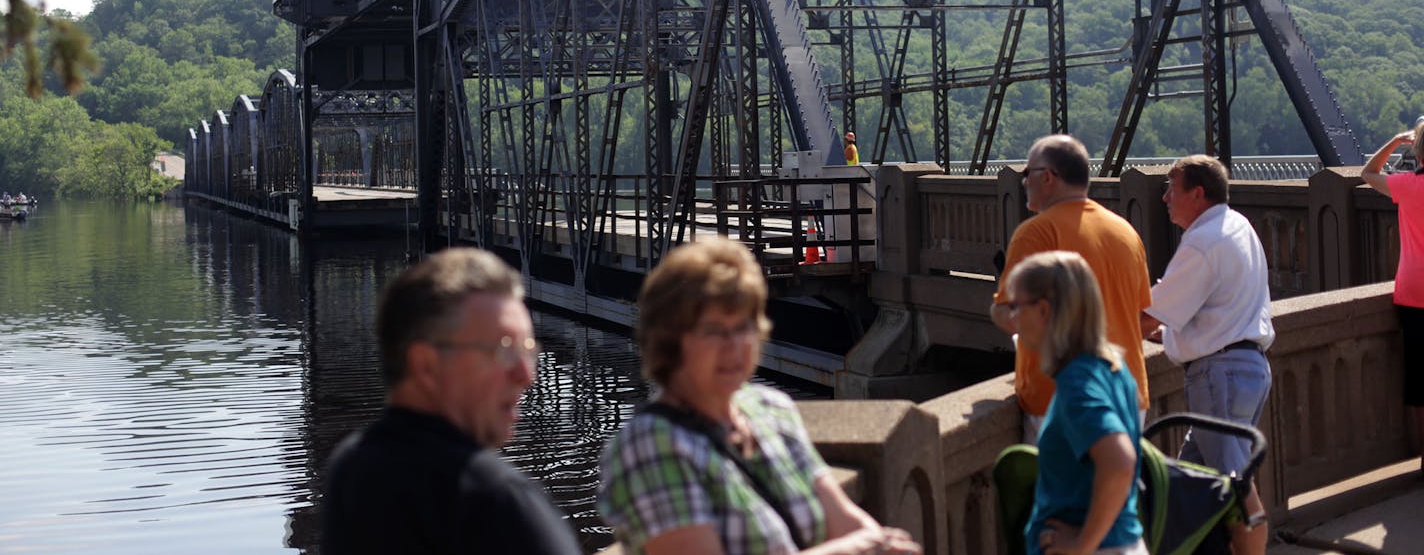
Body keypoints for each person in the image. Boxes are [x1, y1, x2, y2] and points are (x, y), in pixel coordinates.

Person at [599, 237, 920, 555]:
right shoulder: (651, 445)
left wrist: (879, 544)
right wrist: (852, 550)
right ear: (671, 341)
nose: (734, 346)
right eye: (714, 331)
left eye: (744, 327)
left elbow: (846, 521)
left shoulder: (770, 410)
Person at [322, 248, 581, 555]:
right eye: (505, 351)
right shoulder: (493, 499)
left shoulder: (351, 468)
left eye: (528, 351)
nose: (526, 375)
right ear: (426, 366)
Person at [1141, 154, 1272, 555]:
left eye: (1171, 187)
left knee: (1234, 483)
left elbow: (1146, 317)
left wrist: (1092, 333)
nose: (1164, 197)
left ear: (1197, 194)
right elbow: (1217, 311)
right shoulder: (1238, 225)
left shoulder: (1201, 241)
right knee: (1196, 479)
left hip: (1219, 375)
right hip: (1248, 367)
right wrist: (1173, 336)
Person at [991, 134, 1153, 444]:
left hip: (1059, 399)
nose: (1023, 182)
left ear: (1048, 177)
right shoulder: (1125, 232)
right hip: (1126, 394)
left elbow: (1010, 314)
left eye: (1027, 174)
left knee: (1062, 492)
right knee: (1118, 491)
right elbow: (1141, 318)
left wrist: (1000, 313)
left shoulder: (1036, 233)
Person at [1004, 250, 1145, 555]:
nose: (1012, 318)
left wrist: (1082, 545)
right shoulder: (1112, 368)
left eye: (1016, 306)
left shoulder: (1077, 383)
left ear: (1043, 311)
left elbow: (1119, 461)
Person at [1359, 121, 1424, 471]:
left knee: (1418, 377)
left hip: (1414, 293)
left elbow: (1368, 172)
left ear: (1416, 151)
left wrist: (1395, 141)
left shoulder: (1406, 186)